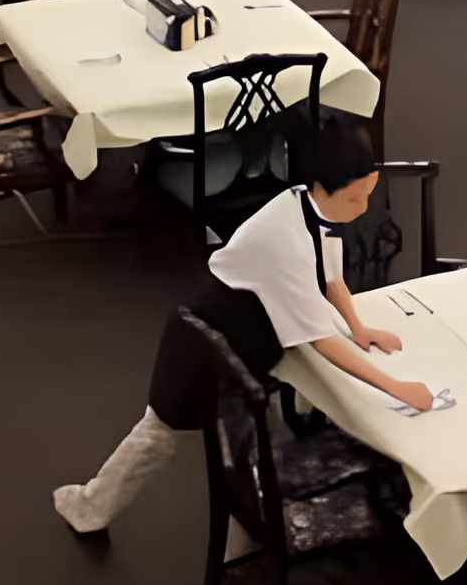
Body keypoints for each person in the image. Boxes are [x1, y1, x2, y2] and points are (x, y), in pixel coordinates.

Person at [52, 123, 434, 541]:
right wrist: (396, 388)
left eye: (367, 194)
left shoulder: (314, 209)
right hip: (206, 338)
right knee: (160, 433)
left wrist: (359, 327)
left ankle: (246, 536)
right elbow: (321, 340)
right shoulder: (286, 237)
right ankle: (90, 508)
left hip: (252, 332)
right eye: (355, 197)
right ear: (321, 186)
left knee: (242, 443)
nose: (363, 208)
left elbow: (332, 280)